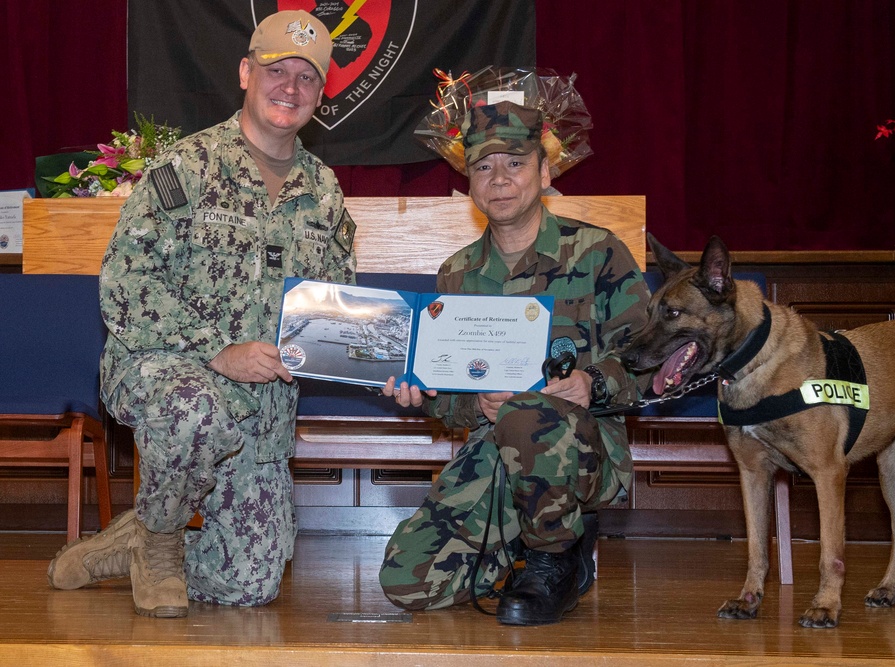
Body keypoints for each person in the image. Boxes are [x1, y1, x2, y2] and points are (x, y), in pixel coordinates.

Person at [47, 10, 357, 618]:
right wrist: (218, 349)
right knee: (196, 409)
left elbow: (335, 301)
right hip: (163, 373)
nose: (289, 88)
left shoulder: (324, 191)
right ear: (245, 72)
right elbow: (125, 281)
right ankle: (160, 542)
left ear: (321, 94)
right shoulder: (186, 168)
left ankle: (130, 538)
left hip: (260, 411)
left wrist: (377, 359)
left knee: (251, 586)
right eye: (276, 71)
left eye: (306, 78)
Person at [378, 101, 651, 625]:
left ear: (545, 172)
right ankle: (530, 540)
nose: (499, 179)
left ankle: (554, 559)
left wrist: (591, 383)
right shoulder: (456, 274)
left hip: (587, 451)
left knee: (529, 412)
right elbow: (447, 398)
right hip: (498, 449)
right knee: (408, 582)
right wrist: (464, 402)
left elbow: (646, 358)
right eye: (483, 166)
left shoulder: (597, 253)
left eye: (515, 163)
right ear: (470, 183)